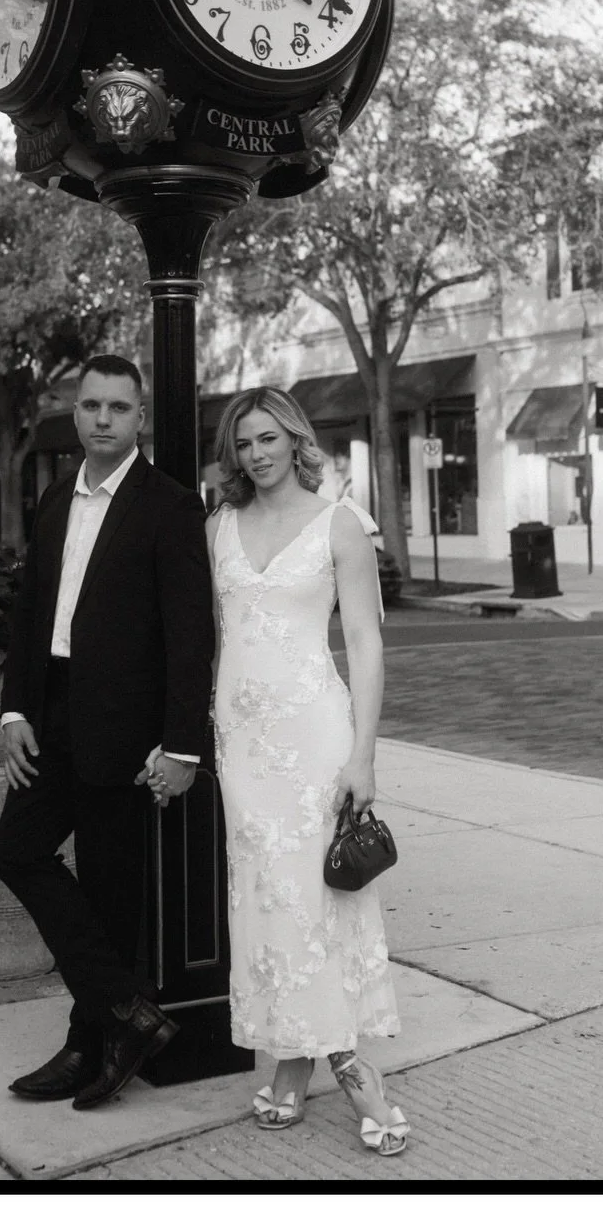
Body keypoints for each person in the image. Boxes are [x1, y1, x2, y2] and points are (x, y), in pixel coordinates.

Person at [0, 355, 215, 1110]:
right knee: (16, 851)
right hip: (50, 715)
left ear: (139, 417)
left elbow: (190, 637)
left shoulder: (170, 506)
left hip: (125, 730)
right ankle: (126, 1010)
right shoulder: (56, 497)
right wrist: (15, 710)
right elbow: (29, 618)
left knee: (113, 899)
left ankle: (92, 1040)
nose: (104, 419)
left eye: (120, 407)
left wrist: (183, 746)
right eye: (91, 406)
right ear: (74, 412)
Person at [199, 385, 408, 1157]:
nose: (255, 454)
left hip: (316, 739)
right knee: (263, 900)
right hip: (243, 747)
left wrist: (364, 753)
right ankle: (288, 1056)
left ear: (295, 440)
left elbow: (367, 643)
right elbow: (216, 638)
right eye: (242, 442)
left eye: (267, 439)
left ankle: (350, 1064)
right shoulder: (218, 526)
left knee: (320, 899)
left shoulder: (341, 524)